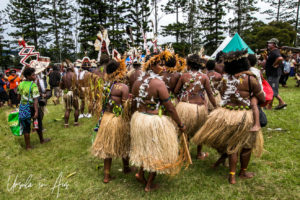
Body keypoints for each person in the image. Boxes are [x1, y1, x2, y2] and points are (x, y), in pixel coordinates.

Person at [192, 50, 265, 184]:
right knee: (247, 146)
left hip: (226, 114)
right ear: (244, 63)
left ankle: (230, 173)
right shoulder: (250, 79)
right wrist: (253, 98)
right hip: (244, 115)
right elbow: (262, 97)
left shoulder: (225, 79)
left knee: (231, 144)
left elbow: (221, 92)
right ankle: (242, 172)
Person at [130, 54, 185, 192]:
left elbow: (133, 103)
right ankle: (149, 184)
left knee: (145, 148)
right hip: (153, 121)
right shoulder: (158, 83)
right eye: (160, 64)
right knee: (156, 151)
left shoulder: (137, 82)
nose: (163, 67)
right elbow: (170, 108)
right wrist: (180, 124)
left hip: (139, 119)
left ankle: (140, 173)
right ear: (151, 65)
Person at [91, 59, 132, 183]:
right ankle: (126, 168)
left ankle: (106, 176)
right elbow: (126, 107)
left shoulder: (105, 86)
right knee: (124, 143)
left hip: (106, 119)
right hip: (117, 119)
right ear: (119, 71)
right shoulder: (123, 87)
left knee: (107, 148)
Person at [174, 54, 216, 160]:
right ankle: (199, 153)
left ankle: (185, 153)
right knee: (199, 130)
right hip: (199, 108)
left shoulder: (184, 76)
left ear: (189, 64)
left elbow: (175, 91)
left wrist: (182, 96)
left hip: (185, 107)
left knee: (185, 130)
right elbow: (210, 94)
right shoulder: (204, 77)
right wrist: (216, 107)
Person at [17, 67, 51, 150]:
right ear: (28, 76)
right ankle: (42, 140)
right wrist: (36, 112)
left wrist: (23, 102)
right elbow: (36, 100)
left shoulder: (21, 84)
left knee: (26, 127)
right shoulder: (33, 85)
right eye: (33, 75)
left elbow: (18, 97)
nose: (35, 76)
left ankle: (28, 146)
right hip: (32, 108)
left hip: (24, 108)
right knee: (38, 124)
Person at [264, 38, 286, 110]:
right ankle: (269, 106)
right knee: (271, 89)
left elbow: (280, 58)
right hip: (272, 73)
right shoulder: (272, 52)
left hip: (274, 74)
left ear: (274, 44)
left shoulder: (275, 51)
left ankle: (282, 102)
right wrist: (266, 59)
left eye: (270, 43)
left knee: (273, 89)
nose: (268, 44)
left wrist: (275, 64)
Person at [60, 63, 79, 128]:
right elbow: (77, 84)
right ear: (71, 68)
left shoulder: (63, 76)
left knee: (67, 109)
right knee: (76, 108)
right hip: (73, 94)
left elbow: (61, 86)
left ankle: (66, 124)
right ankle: (76, 123)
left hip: (66, 93)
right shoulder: (74, 75)